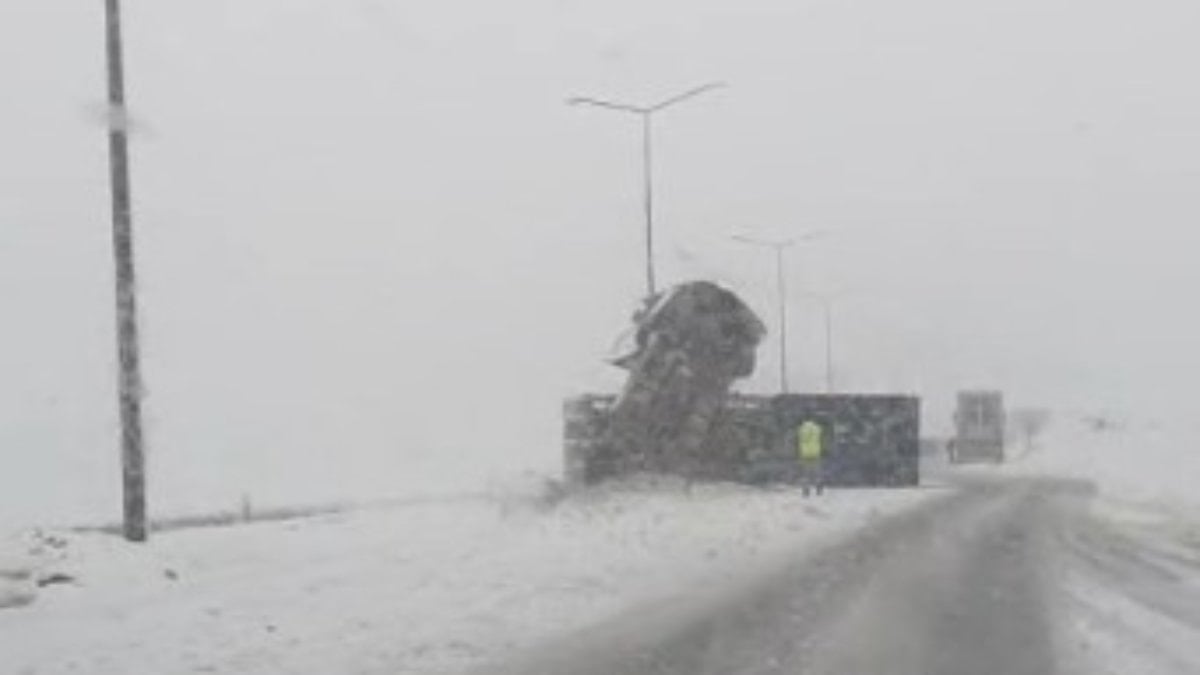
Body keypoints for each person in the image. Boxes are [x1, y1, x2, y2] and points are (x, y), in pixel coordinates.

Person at [796, 420, 825, 496]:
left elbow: (800, 438)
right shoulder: (817, 428)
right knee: (816, 471)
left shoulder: (801, 429)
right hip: (816, 452)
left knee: (805, 472)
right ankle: (819, 488)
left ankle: (806, 489)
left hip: (805, 453)